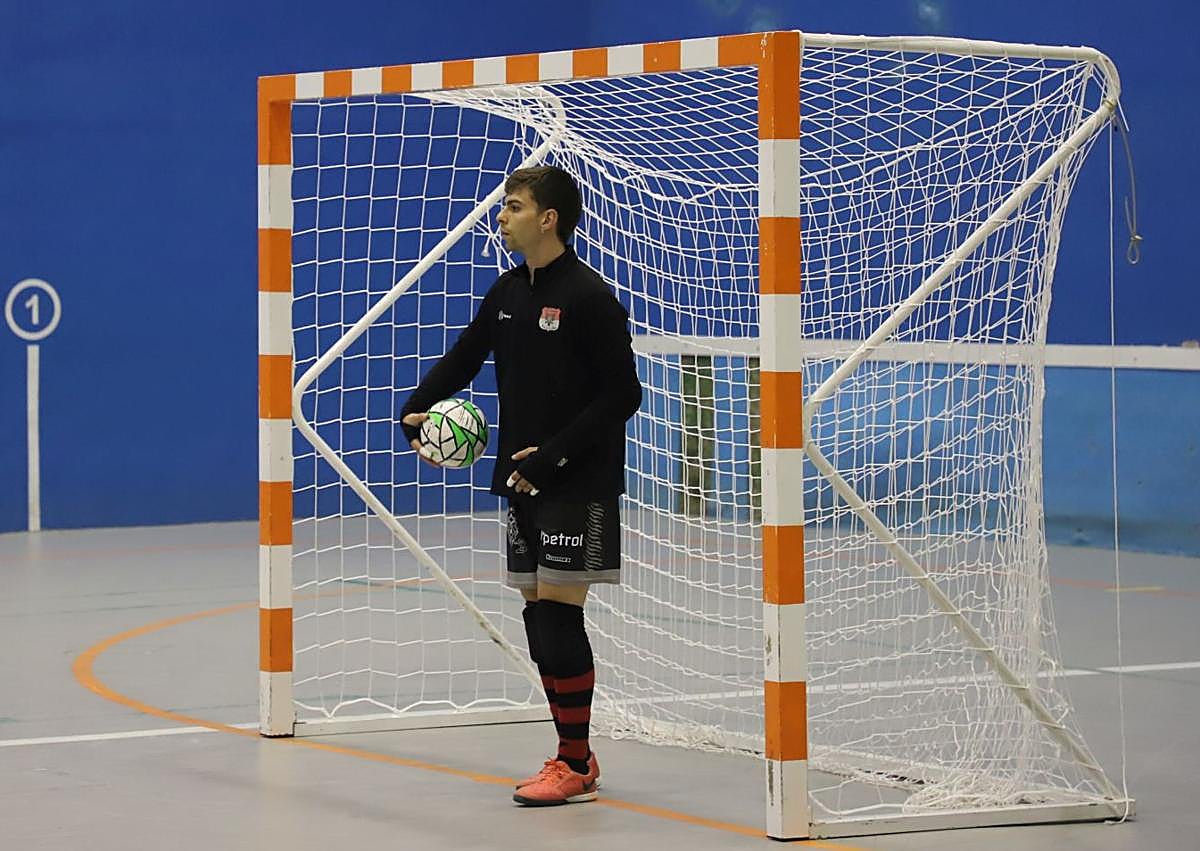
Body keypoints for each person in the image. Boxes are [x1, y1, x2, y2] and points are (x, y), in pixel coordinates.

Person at [399, 165, 642, 806]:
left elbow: (623, 395)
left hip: (575, 478)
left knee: (559, 618)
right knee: (538, 620)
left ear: (548, 218)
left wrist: (552, 457)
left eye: (513, 206)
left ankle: (574, 763)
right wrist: (416, 408)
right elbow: (466, 355)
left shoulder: (588, 297)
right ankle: (574, 755)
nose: (501, 217)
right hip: (519, 480)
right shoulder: (508, 290)